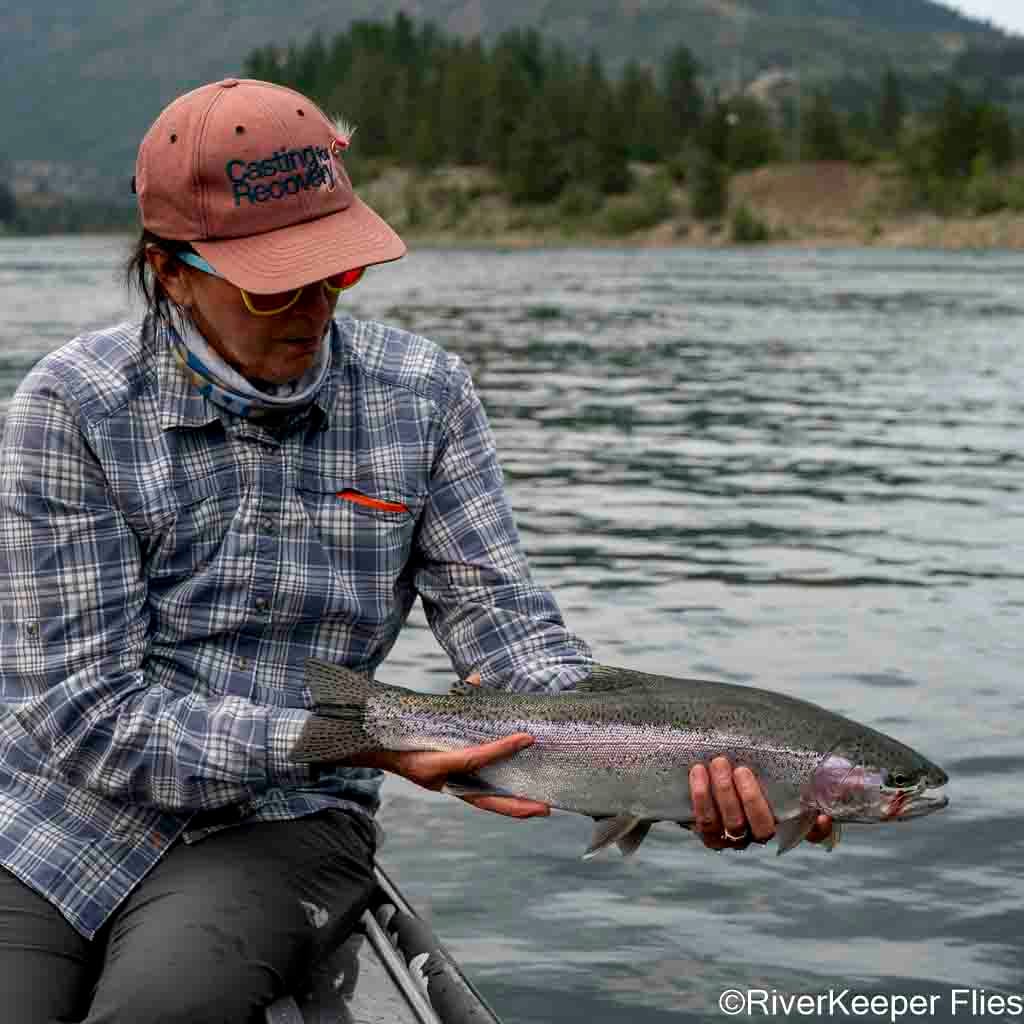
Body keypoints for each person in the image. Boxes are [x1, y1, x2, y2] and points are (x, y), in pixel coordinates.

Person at [0, 78, 831, 1023]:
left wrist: (666, 764)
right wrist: (363, 733)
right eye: (275, 284)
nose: (315, 304)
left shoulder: (425, 395)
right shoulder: (72, 407)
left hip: (289, 820)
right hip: (52, 815)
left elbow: (508, 635)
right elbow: (81, 713)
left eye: (338, 270)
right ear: (171, 271)